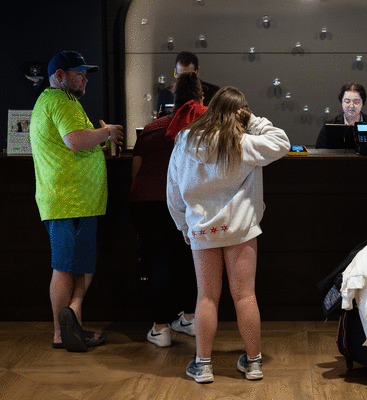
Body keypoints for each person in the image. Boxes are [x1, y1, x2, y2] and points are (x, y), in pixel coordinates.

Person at [167, 86, 290, 383]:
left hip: (202, 229)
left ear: (211, 108)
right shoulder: (245, 143)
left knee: (207, 297)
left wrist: (183, 225)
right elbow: (282, 141)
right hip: (241, 228)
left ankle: (203, 365)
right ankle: (254, 363)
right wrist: (253, 120)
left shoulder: (185, 140)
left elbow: (173, 189)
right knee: (245, 296)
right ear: (240, 113)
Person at [29, 51, 124, 352]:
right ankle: (62, 333)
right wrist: (106, 132)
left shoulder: (52, 101)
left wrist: (99, 143)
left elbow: (74, 141)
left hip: (74, 201)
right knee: (65, 267)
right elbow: (74, 140)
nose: (85, 79)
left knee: (80, 266)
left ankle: (73, 323)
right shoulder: (61, 101)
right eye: (78, 73)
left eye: (85, 74)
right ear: (59, 76)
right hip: (70, 201)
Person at [130, 71, 207, 347]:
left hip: (148, 203)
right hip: (188, 203)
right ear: (200, 98)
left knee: (158, 262)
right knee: (191, 260)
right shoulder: (205, 126)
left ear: (173, 99)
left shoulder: (152, 128)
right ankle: (189, 318)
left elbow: (136, 172)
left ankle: (161, 328)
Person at [315, 82, 367, 148]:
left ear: (362, 103)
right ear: (342, 102)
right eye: (347, 101)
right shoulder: (330, 125)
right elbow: (320, 150)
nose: (351, 106)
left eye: (356, 102)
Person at [156, 51, 220, 116]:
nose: (184, 80)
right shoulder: (165, 94)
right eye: (181, 76)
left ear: (197, 71)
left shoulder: (213, 93)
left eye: (189, 76)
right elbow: (160, 118)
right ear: (175, 72)